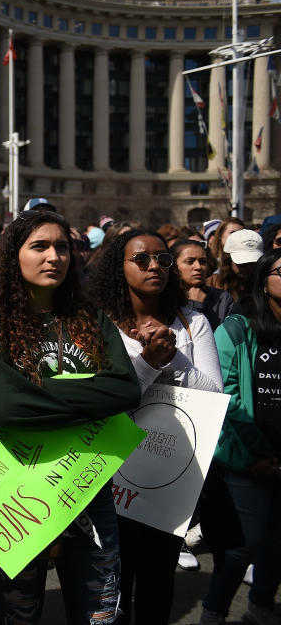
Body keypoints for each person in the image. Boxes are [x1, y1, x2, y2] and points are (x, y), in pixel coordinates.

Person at [0, 210, 141, 624]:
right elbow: (1, 407)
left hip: (89, 489)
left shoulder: (91, 318)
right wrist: (89, 396)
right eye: (39, 246)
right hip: (17, 493)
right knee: (19, 615)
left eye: (62, 247)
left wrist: (34, 393)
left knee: (102, 617)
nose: (54, 257)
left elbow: (126, 390)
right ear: (14, 256)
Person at [87, 230, 222, 625]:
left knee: (158, 580)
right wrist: (148, 362)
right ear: (119, 267)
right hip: (112, 471)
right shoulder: (100, 325)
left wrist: (174, 358)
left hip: (172, 474)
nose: (154, 267)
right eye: (141, 259)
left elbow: (213, 394)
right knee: (112, 581)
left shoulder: (192, 321)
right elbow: (104, 398)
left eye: (163, 260)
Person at [199, 249, 281, 625]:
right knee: (239, 549)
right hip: (248, 458)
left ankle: (261, 608)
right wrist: (258, 454)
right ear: (264, 280)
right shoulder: (236, 328)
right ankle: (214, 614)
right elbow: (224, 395)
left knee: (278, 544)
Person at [171, 239, 235, 331]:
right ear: (174, 266)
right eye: (190, 261)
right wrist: (194, 306)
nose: (198, 267)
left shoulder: (222, 298)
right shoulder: (166, 299)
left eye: (202, 261)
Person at [209, 229, 264, 304]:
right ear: (228, 260)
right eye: (243, 263)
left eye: (253, 263)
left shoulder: (266, 286)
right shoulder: (211, 284)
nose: (248, 268)